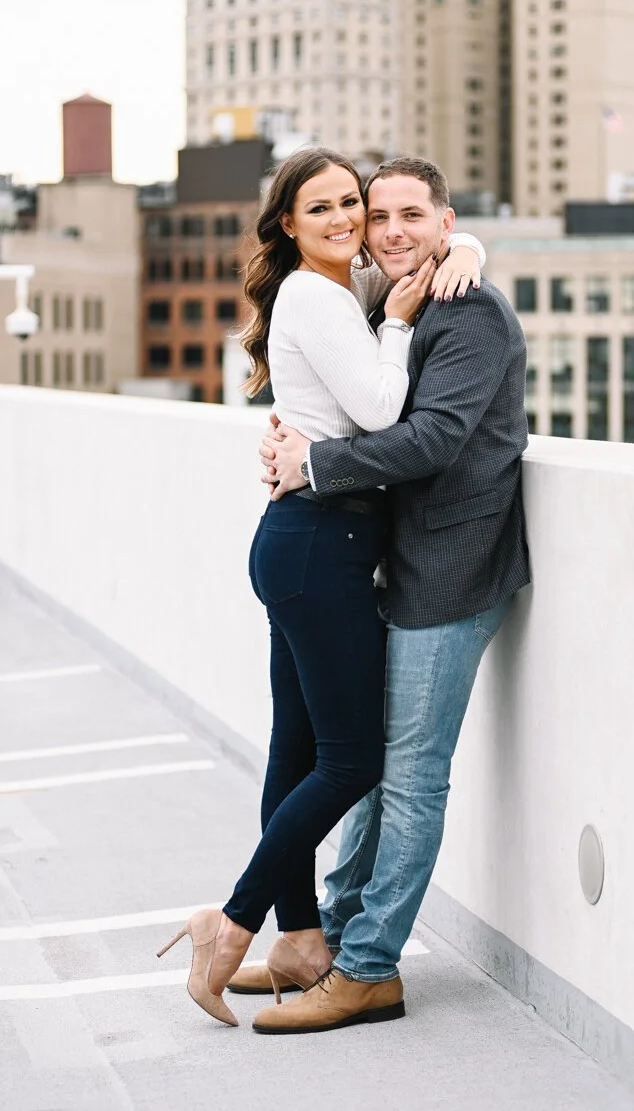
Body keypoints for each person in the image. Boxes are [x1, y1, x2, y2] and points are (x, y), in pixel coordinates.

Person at [155, 147, 485, 1027]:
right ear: (288, 225)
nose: (346, 221)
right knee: (352, 761)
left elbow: (434, 248)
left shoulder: (346, 287)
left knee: (297, 752)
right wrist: (402, 326)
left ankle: (302, 937)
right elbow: (380, 411)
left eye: (353, 204)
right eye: (323, 208)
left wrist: (467, 249)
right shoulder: (316, 295)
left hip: (306, 540)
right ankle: (233, 919)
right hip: (321, 545)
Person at [246, 156, 530, 1034]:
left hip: (451, 570)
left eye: (414, 215)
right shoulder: (385, 296)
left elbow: (434, 438)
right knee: (368, 775)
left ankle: (369, 969)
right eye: (380, 216)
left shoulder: (469, 311)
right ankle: (333, 937)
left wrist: (315, 463)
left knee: (406, 779)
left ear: (444, 219)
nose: (391, 230)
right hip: (393, 564)